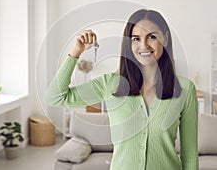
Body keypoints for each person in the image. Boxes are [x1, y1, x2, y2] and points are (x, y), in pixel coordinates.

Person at [46, 9, 199, 170]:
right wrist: (76, 52)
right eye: (136, 39)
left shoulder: (185, 90)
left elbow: (190, 156)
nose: (143, 45)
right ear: (129, 43)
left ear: (165, 38)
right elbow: (56, 97)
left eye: (152, 37)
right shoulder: (111, 84)